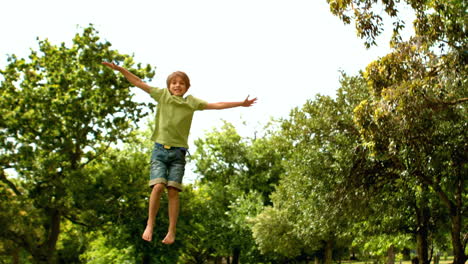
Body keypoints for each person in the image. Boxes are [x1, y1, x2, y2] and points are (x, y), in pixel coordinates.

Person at [102, 62, 257, 244]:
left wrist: (241, 103)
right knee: (158, 186)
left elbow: (217, 104)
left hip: (178, 154)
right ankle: (150, 224)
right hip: (159, 150)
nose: (177, 85)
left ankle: (171, 231)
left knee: (173, 190)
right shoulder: (162, 96)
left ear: (187, 87)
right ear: (169, 86)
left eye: (181, 83)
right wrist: (121, 70)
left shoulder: (191, 102)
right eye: (173, 82)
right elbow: (138, 82)